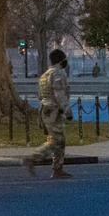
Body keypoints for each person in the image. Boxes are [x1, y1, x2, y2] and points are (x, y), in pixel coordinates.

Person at [24, 49, 73, 179]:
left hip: (45, 110)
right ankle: (34, 158)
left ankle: (58, 169)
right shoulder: (57, 75)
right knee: (57, 140)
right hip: (54, 111)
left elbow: (41, 95)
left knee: (59, 140)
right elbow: (59, 95)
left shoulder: (44, 76)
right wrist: (68, 111)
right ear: (61, 60)